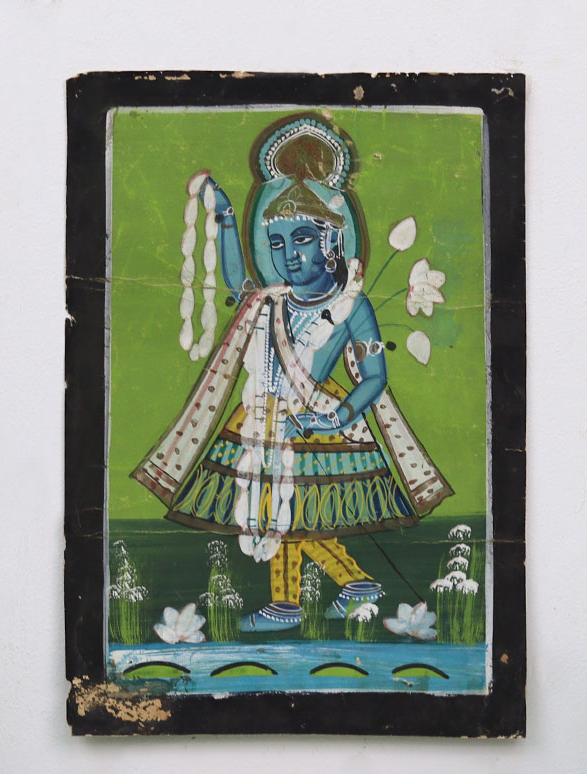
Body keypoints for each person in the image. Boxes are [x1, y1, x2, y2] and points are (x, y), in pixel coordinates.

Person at [133, 116, 451, 632]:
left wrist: (337, 418)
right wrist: (228, 220)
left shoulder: (351, 305)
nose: (289, 256)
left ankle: (326, 592)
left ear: (332, 241)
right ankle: (328, 591)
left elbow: (374, 377)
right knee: (274, 510)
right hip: (262, 414)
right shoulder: (270, 301)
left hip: (316, 417)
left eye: (301, 239)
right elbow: (237, 282)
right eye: (277, 244)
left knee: (295, 510)